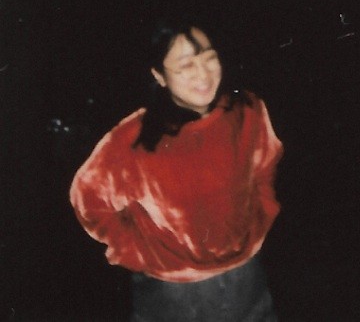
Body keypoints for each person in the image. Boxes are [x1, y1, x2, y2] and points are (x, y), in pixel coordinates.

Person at [70, 19, 283, 321]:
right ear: (159, 75)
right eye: (186, 66)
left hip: (247, 279)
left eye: (208, 58)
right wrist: (140, 253)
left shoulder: (247, 110)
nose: (203, 74)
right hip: (172, 295)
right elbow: (89, 201)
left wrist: (261, 213)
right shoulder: (131, 141)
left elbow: (265, 165)